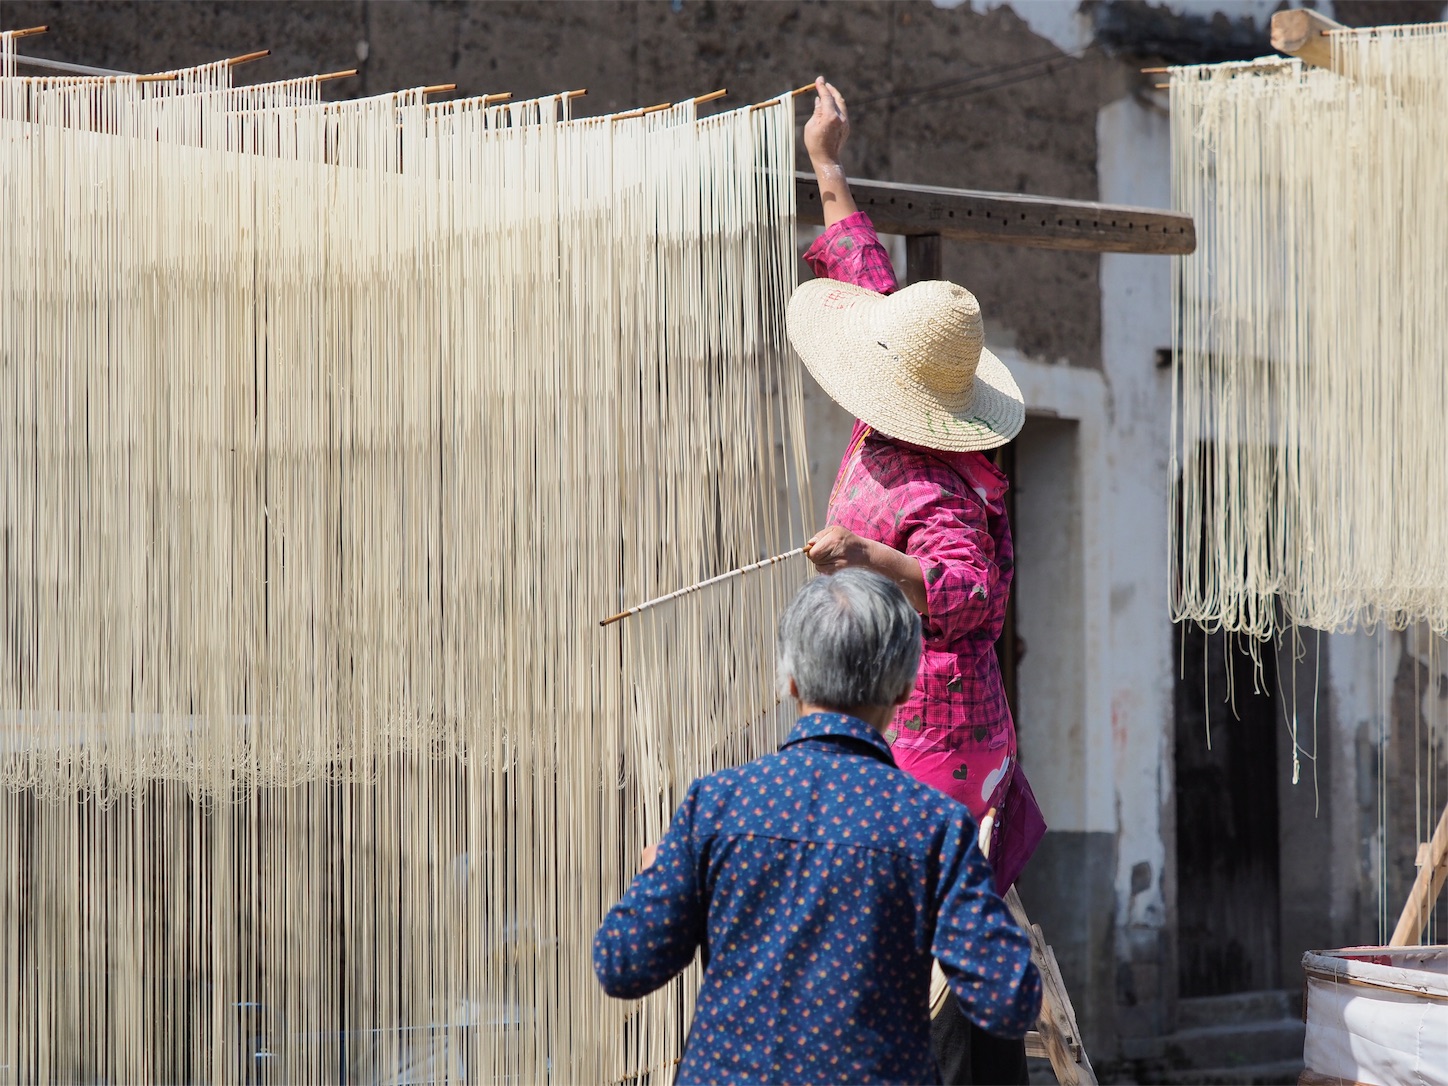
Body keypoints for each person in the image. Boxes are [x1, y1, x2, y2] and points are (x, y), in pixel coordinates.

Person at [789, 78, 1042, 1084]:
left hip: (938, 741)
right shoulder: (898, 393)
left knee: (930, 949)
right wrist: (827, 162)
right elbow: (866, 270)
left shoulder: (943, 486)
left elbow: (968, 590)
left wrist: (865, 559)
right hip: (890, 719)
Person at [593, 570, 1041, 1086]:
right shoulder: (933, 828)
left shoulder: (715, 808)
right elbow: (1009, 998)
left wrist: (660, 881)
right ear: (903, 686)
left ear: (789, 681)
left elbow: (622, 962)